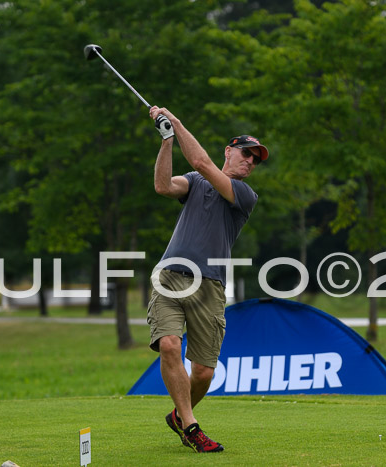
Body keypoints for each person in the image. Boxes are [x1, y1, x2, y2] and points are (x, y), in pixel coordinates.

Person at [147, 105, 268, 453]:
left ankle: (179, 417)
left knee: (203, 373)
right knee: (169, 345)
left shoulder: (244, 195)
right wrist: (167, 140)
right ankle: (192, 427)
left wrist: (178, 122)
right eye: (247, 153)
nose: (250, 162)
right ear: (229, 151)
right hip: (170, 276)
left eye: (256, 160)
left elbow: (202, 163)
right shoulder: (197, 183)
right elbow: (163, 185)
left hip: (209, 286)